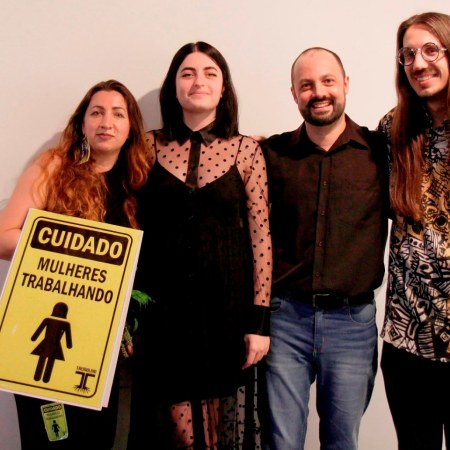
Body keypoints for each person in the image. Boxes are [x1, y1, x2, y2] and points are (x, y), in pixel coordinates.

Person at [127, 41, 272, 450]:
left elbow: (261, 238)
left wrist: (259, 324)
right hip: (161, 315)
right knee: (177, 434)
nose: (198, 81)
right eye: (187, 73)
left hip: (226, 314)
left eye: (210, 73)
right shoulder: (145, 146)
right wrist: (127, 316)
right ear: (173, 86)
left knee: (215, 434)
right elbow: (127, 225)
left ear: (223, 88)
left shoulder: (247, 150)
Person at [0, 79, 151, 449]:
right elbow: (4, 237)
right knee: (49, 441)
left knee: (95, 440)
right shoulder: (54, 166)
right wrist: (70, 247)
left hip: (101, 345)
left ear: (131, 126)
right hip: (37, 336)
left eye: (118, 114)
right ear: (82, 122)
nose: (106, 122)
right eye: (96, 112)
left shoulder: (138, 183)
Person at [260, 47, 389, 450]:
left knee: (341, 442)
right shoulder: (272, 155)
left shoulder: (381, 154)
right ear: (294, 94)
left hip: (352, 323)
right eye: (307, 85)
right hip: (285, 320)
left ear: (345, 84)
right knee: (280, 443)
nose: (318, 92)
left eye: (328, 81)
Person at [377, 12, 450, 450]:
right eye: (408, 54)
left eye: (430, 50)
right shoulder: (394, 129)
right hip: (408, 341)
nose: (419, 63)